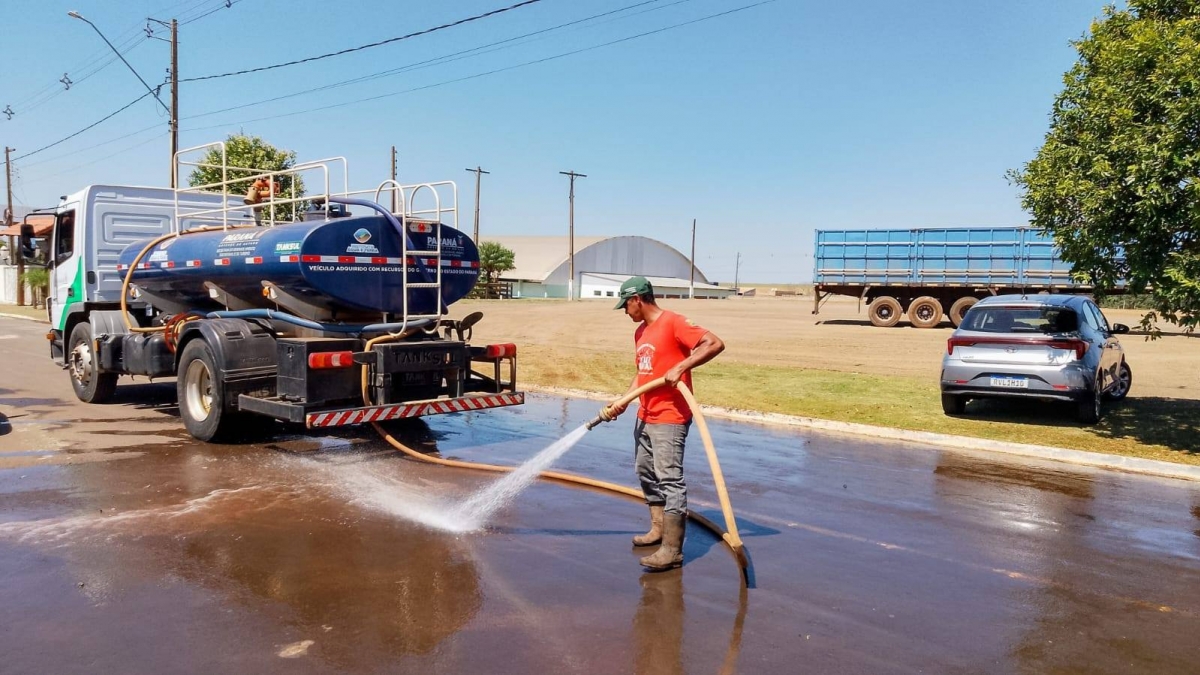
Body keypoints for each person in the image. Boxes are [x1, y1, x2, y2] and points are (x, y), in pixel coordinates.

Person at [605, 276, 725, 570]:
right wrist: (625, 399)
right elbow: (643, 374)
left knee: (670, 480)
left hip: (670, 416)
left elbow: (715, 343)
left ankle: (672, 550)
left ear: (638, 300)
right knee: (645, 471)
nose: (625, 312)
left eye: (626, 305)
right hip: (645, 413)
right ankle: (658, 529)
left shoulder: (673, 322)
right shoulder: (640, 333)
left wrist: (681, 366)